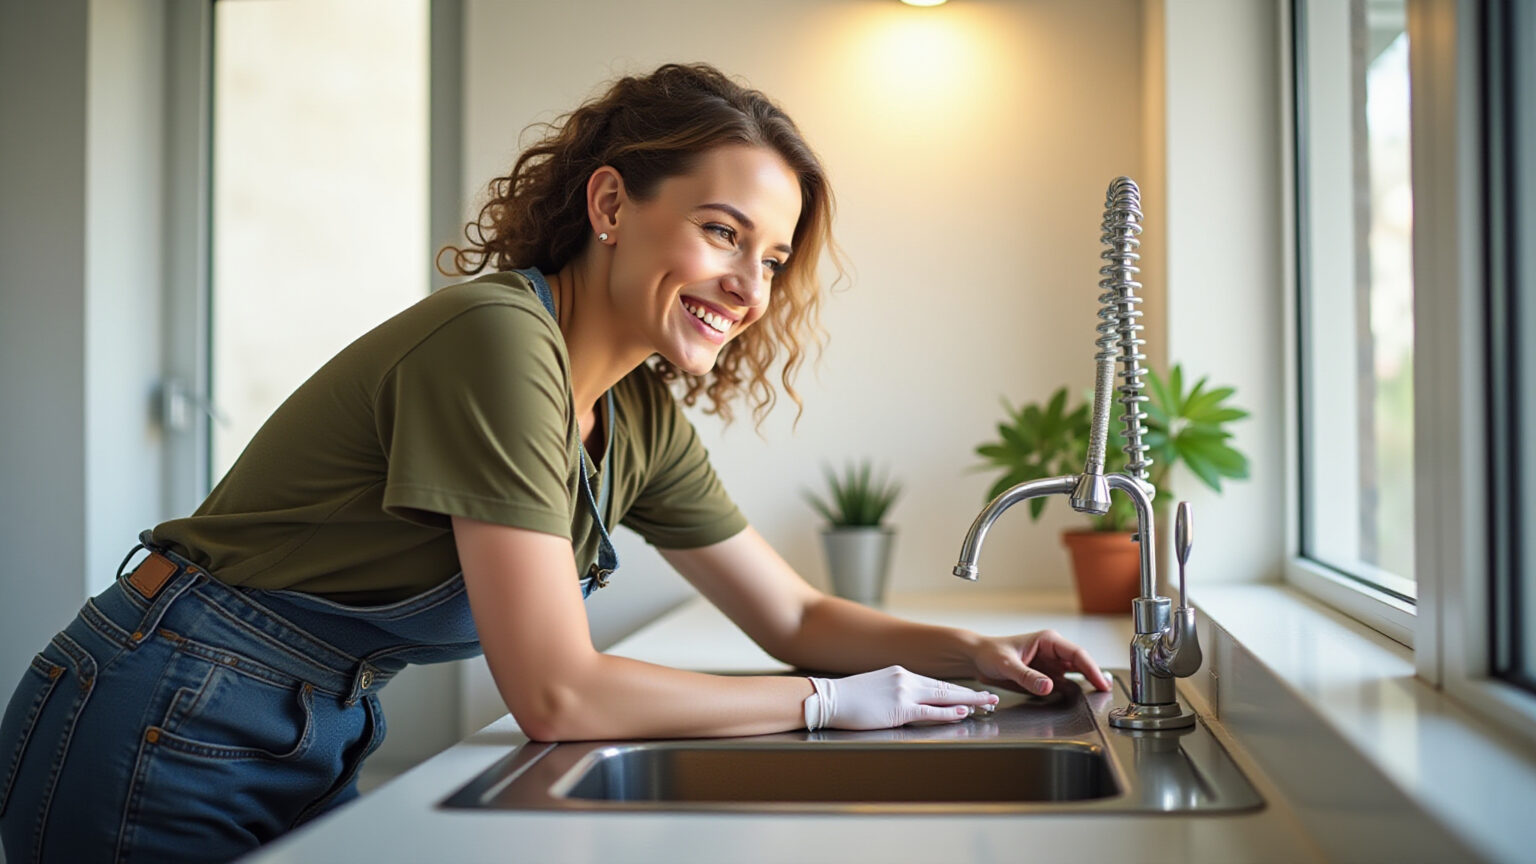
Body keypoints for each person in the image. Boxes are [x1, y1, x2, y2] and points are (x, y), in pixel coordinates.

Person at [0, 62, 1111, 864]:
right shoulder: (498, 342)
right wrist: (825, 709)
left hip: (296, 721)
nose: (751, 287)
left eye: (771, 258)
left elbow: (795, 617)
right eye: (724, 234)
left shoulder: (633, 416)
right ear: (613, 203)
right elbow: (558, 692)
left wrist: (979, 651)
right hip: (164, 708)